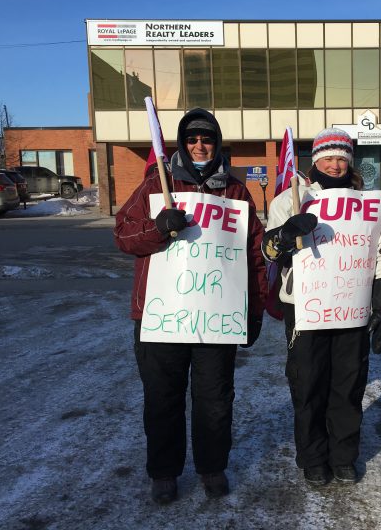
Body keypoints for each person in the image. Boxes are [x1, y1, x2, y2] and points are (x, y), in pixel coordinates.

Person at [114, 108, 267, 504]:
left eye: (208, 138)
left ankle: (212, 466)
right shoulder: (156, 183)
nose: (200, 145)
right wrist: (158, 227)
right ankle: (164, 472)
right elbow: (124, 235)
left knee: (215, 398)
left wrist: (254, 310)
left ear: (217, 144)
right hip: (161, 315)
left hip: (216, 315)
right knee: (162, 397)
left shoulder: (234, 191)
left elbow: (253, 252)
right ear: (182, 143)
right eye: (192, 138)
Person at [262, 128, 381, 486]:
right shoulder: (290, 200)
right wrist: (286, 234)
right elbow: (268, 252)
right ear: (315, 160)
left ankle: (343, 455)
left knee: (348, 384)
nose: (335, 165)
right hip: (305, 306)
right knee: (308, 384)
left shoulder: (363, 202)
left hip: (351, 305)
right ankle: (313, 457)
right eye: (328, 157)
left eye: (342, 158)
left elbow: (378, 252)